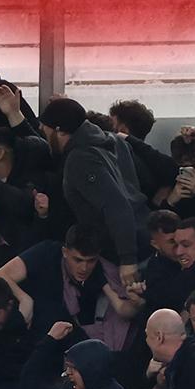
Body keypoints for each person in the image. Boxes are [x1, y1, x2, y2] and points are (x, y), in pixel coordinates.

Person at [35, 97, 143, 286]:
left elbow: (116, 206)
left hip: (122, 251)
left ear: (58, 130)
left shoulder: (81, 159)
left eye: (45, 127)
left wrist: (127, 259)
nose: (42, 131)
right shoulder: (111, 142)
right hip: (142, 233)